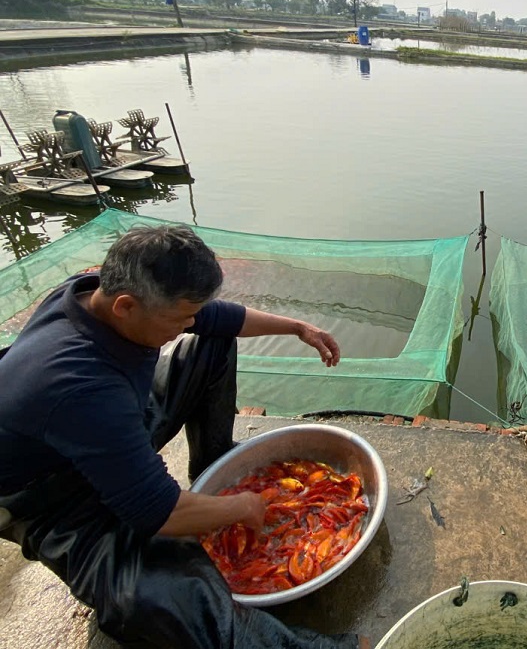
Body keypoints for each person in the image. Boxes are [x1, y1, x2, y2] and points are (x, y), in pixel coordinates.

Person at [0, 224, 361, 649]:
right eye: (179, 318)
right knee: (168, 596)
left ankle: (212, 459)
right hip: (53, 501)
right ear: (126, 306)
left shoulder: (94, 294)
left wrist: (297, 327)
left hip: (114, 427)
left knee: (214, 342)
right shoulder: (78, 385)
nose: (189, 323)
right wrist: (245, 505)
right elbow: (158, 514)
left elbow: (217, 318)